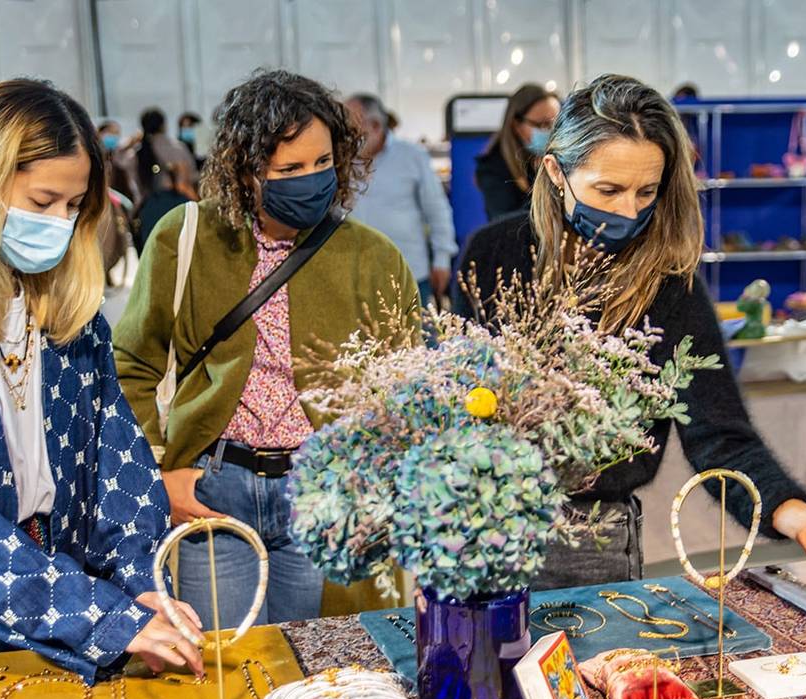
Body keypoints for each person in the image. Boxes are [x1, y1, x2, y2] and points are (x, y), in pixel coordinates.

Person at [458, 74, 806, 587]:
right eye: (607, 190)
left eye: (646, 192)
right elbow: (459, 401)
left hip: (594, 546)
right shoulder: (492, 257)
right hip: (480, 534)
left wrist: (799, 517)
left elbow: (720, 436)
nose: (628, 211)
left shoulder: (668, 286)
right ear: (555, 171)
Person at [0, 78, 204, 681]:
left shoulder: (68, 314)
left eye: (74, 206)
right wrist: (103, 618)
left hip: (64, 618)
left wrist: (140, 589)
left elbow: (120, 472)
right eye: (41, 201)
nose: (60, 224)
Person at [113, 70, 419, 629]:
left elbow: (406, 389)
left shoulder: (373, 257)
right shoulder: (185, 237)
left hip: (321, 495)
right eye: (289, 169)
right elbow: (132, 362)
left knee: (316, 664)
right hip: (214, 487)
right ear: (246, 170)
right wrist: (161, 469)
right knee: (227, 668)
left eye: (323, 163)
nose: (311, 179)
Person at [346, 93, 457, 304]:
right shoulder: (342, 162)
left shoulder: (412, 156)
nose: (345, 137)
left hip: (409, 274)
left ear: (376, 126)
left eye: (351, 130)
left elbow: (437, 210)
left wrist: (442, 260)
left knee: (418, 336)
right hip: (355, 278)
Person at [474, 84, 560, 221]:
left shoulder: (560, 158)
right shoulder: (493, 167)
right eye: (542, 124)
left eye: (556, 124)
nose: (550, 131)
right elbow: (507, 222)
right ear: (516, 125)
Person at [118, 108, 199, 250]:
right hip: (178, 207)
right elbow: (186, 182)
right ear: (164, 125)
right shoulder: (177, 148)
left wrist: (131, 141)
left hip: (147, 210)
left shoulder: (137, 152)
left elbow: (118, 160)